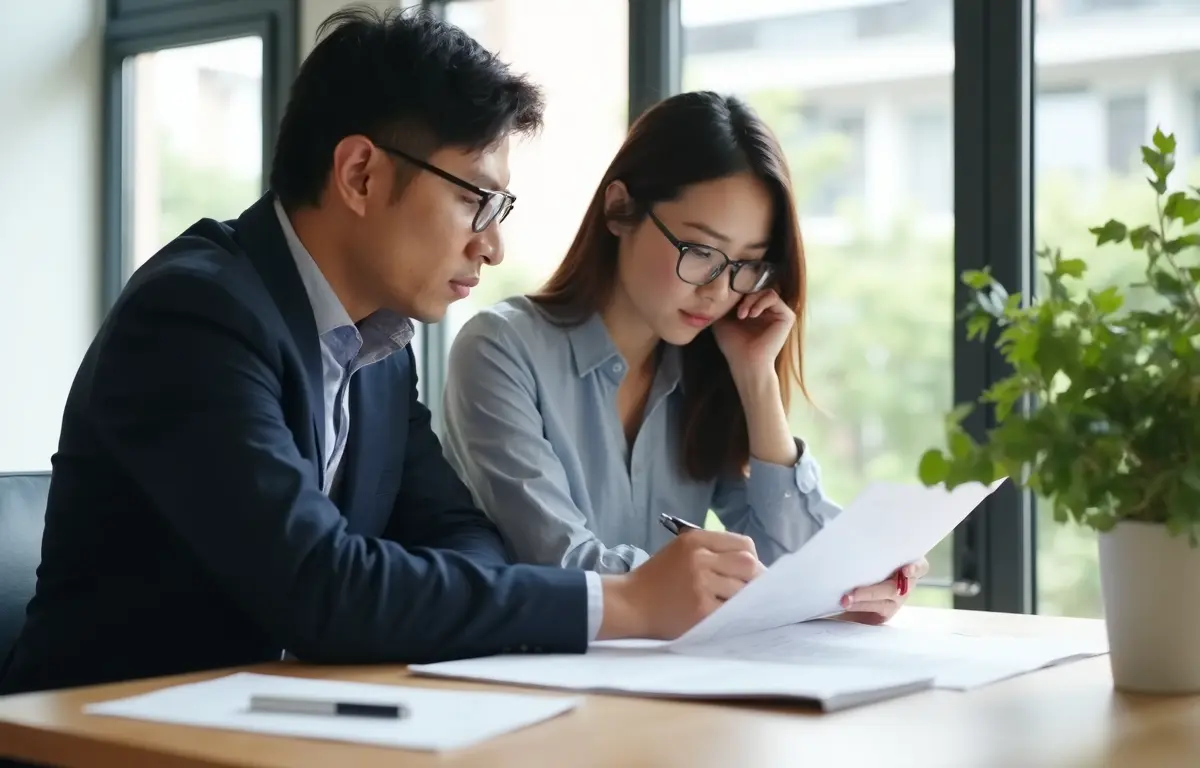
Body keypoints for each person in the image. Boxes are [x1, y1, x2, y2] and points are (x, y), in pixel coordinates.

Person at [0, 10, 763, 697]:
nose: (492, 245)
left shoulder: (380, 348)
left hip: (281, 726)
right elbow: (321, 586)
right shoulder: (195, 317)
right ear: (360, 174)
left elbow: (467, 540)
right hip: (104, 737)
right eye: (475, 200)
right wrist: (620, 602)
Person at [442, 91, 928, 624]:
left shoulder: (702, 368)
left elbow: (807, 564)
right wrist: (751, 587)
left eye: (748, 265)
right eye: (700, 252)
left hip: (674, 688)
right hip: (523, 684)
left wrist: (756, 377)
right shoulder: (500, 350)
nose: (720, 291)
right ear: (619, 209)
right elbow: (563, 565)